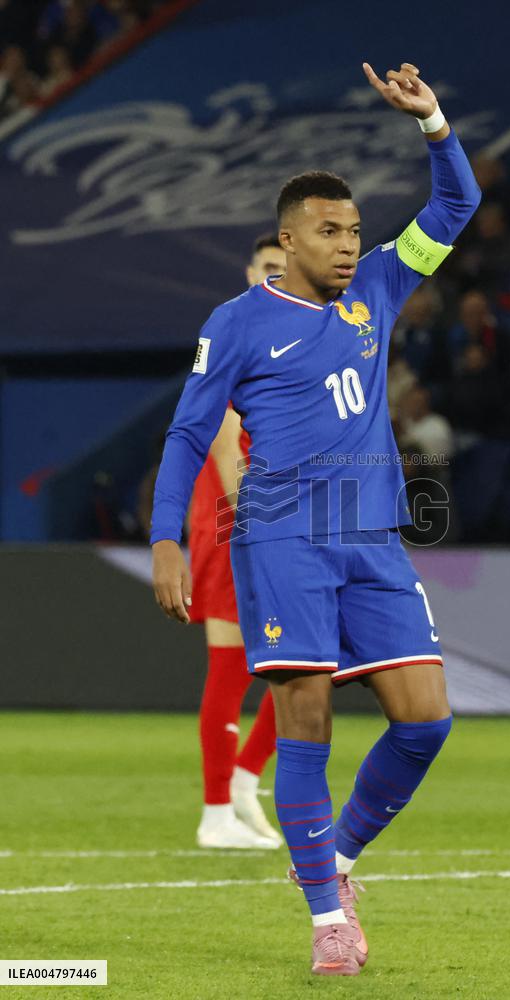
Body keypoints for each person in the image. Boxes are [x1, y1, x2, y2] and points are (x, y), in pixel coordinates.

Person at [151, 61, 480, 976]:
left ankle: (330, 859)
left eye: (354, 230)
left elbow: (455, 209)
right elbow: (186, 437)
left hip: (370, 536)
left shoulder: (379, 286)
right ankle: (328, 920)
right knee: (305, 718)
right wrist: (167, 539)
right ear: (288, 241)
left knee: (426, 721)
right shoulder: (239, 322)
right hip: (283, 538)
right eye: (330, 232)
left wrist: (435, 125)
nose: (348, 244)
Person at [191, 234, 287, 851]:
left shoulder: (293, 335)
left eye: (285, 268)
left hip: (260, 517)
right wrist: (256, 531)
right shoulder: (236, 333)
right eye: (268, 268)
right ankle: (218, 809)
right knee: (232, 669)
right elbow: (227, 449)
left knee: (309, 659)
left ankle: (243, 783)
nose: (276, 277)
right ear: (250, 271)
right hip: (235, 521)